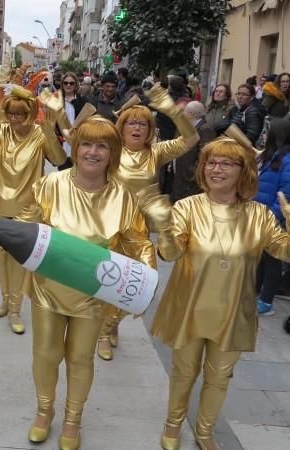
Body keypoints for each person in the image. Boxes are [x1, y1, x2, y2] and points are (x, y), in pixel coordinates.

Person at [153, 137, 290, 450]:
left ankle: (205, 431)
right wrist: (163, 230)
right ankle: (173, 426)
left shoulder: (260, 215)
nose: (217, 169)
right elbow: (171, 254)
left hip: (232, 311)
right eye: (211, 163)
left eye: (227, 163)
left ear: (243, 170)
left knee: (219, 377)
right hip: (189, 306)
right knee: (184, 372)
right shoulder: (188, 207)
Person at [17, 116, 155, 450]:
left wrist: (146, 279)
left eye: (102, 146)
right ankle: (44, 410)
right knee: (46, 354)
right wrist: (15, 232)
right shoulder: (51, 185)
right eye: (86, 144)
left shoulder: (122, 197)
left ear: (113, 152)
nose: (93, 153)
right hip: (48, 289)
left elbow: (139, 242)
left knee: (80, 358)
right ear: (75, 148)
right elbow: (27, 223)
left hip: (93, 295)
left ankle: (73, 420)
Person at [96, 85, 199, 361]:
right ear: (122, 126)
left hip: (141, 233)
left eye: (143, 123)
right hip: (111, 228)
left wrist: (172, 111)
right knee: (111, 283)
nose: (137, 128)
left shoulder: (156, 152)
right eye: (132, 122)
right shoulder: (111, 150)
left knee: (145, 286)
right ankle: (104, 333)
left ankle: (112, 323)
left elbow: (191, 138)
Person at [0, 87, 66, 334]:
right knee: (1, 257)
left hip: (28, 206)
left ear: (30, 113)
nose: (14, 119)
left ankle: (16, 308)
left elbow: (58, 161)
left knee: (20, 260)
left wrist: (49, 130)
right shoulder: (2, 130)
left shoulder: (38, 134)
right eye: (11, 114)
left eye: (20, 114)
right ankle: (6, 300)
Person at [253, 118, 290, 315]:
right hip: (261, 213)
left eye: (267, 132)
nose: (264, 136)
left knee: (273, 261)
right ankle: (255, 290)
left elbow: (287, 195)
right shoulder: (271, 156)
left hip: (274, 219)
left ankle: (266, 302)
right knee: (261, 258)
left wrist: (271, 217)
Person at [170, 101, 217, 203]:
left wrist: (192, 175)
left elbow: (205, 156)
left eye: (184, 112)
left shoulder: (205, 129)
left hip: (190, 182)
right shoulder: (188, 127)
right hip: (180, 178)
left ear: (191, 114)